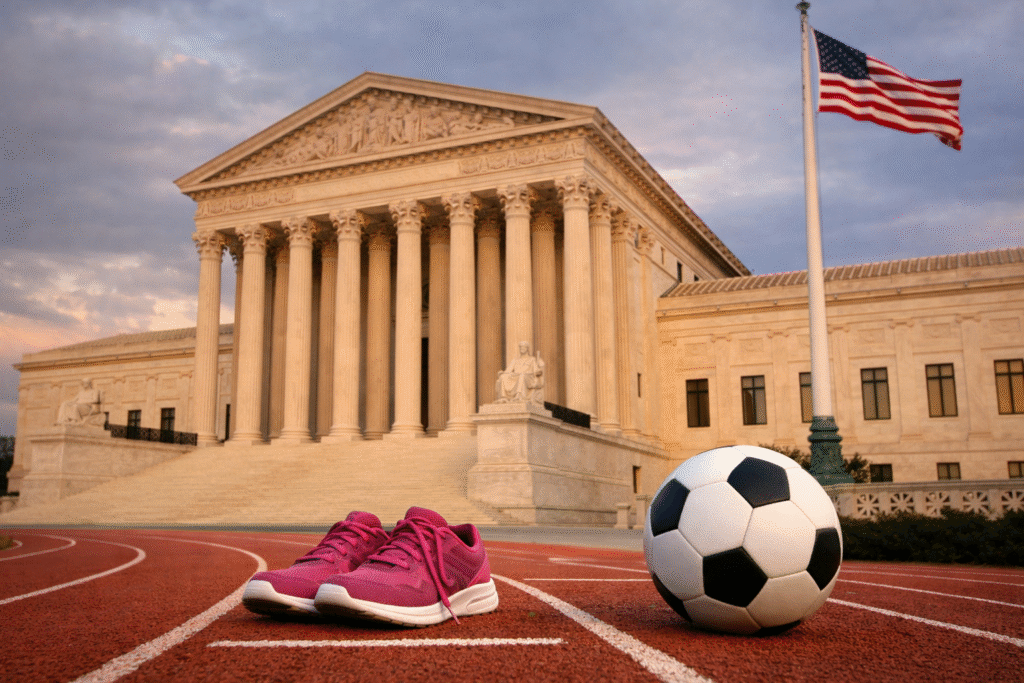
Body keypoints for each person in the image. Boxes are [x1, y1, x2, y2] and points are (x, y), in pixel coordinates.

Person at [495, 341, 545, 405]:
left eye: (523, 347)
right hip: (516, 376)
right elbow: (508, 370)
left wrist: (539, 371)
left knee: (522, 375)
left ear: (527, 349)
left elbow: (536, 370)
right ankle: (503, 397)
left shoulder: (532, 359)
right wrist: (502, 373)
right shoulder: (515, 360)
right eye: (521, 347)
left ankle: (519, 396)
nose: (522, 349)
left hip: (528, 378)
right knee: (503, 376)